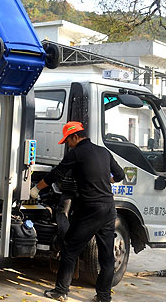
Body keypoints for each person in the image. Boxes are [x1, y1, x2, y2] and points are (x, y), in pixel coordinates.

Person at [30, 121, 125, 302]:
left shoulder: (77, 153)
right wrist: (105, 180)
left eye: (68, 140)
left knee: (70, 248)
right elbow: (120, 175)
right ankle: (104, 297)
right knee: (106, 256)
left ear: (75, 136)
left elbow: (56, 174)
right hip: (108, 209)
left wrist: (36, 189)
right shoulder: (104, 152)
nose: (68, 144)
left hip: (91, 209)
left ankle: (61, 291)